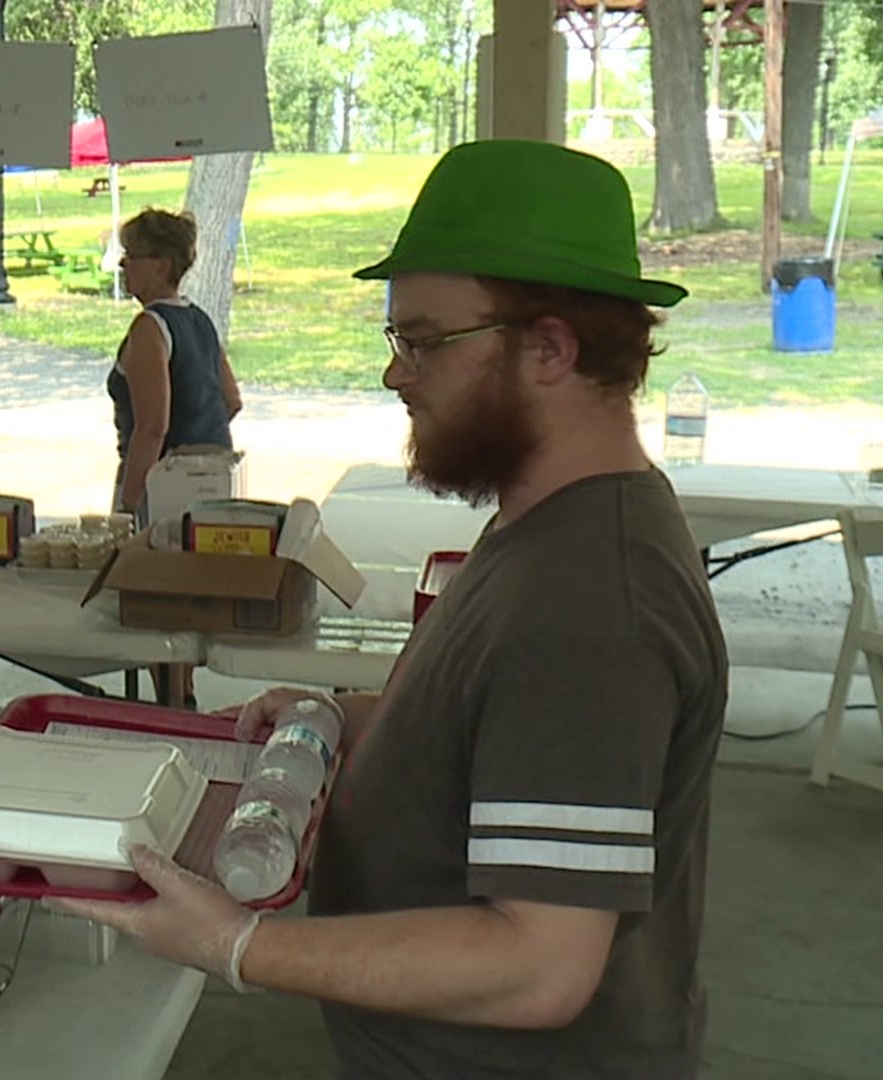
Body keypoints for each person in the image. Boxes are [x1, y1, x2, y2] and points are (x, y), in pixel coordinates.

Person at [56, 141, 729, 1079]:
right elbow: (501, 727)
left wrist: (236, 945)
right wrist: (343, 719)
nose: (395, 375)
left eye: (421, 341)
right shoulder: (549, 527)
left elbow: (537, 965)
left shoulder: (590, 606)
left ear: (549, 347)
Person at [108, 208, 243, 518]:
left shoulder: (149, 326)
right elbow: (231, 401)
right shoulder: (200, 320)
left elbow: (153, 427)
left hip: (163, 486)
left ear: (162, 266)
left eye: (132, 255)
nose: (122, 263)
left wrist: (128, 506)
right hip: (215, 477)